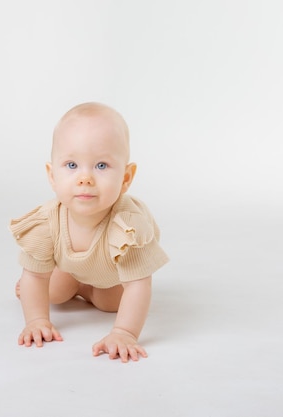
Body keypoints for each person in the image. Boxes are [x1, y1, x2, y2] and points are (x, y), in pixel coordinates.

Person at [9, 102, 169, 362]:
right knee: (51, 293)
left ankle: (89, 290)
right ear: (52, 175)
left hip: (112, 277)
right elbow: (35, 277)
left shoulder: (127, 225)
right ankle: (75, 283)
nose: (85, 179)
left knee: (110, 304)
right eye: (71, 165)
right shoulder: (47, 220)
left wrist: (124, 332)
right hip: (70, 268)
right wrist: (36, 320)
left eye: (102, 166)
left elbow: (139, 285)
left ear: (126, 178)